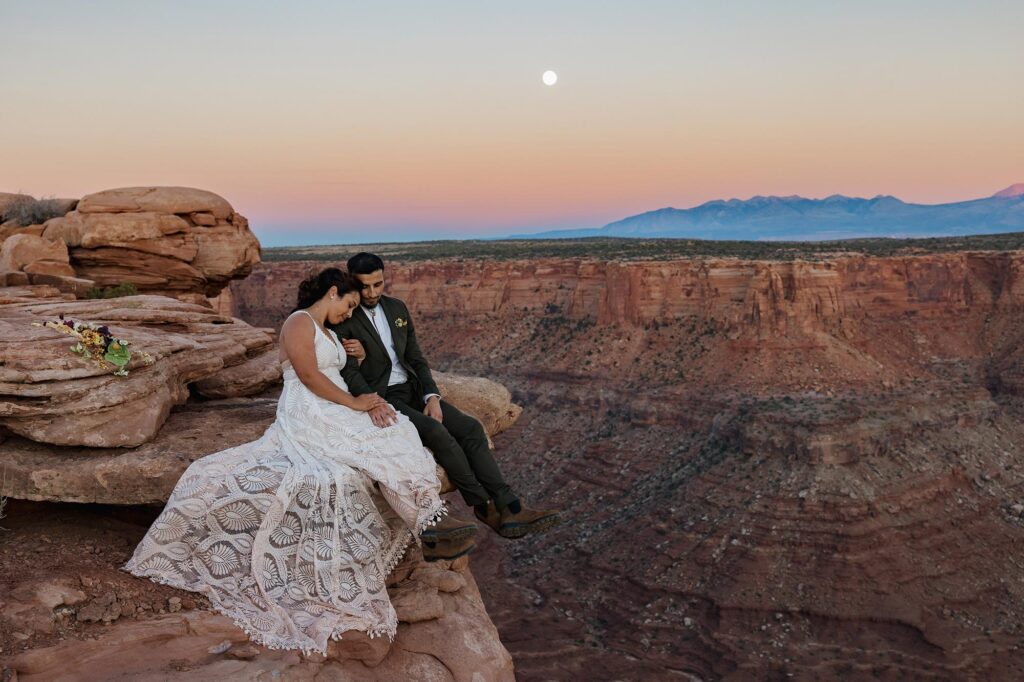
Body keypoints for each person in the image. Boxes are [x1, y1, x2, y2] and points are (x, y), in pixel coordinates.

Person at [123, 268, 457, 655]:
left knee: (396, 430)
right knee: (347, 457)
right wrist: (355, 404)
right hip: (309, 408)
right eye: (348, 305)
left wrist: (361, 364)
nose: (350, 314)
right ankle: (428, 523)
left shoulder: (332, 332)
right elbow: (309, 375)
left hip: (334, 403)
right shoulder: (299, 322)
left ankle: (429, 520)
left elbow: (350, 374)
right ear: (333, 292)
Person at [330, 252, 560, 540]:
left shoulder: (397, 309)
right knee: (436, 432)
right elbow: (350, 372)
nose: (372, 292)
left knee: (472, 429)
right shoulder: (345, 318)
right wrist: (372, 400)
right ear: (352, 282)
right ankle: (484, 506)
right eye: (365, 286)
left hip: (413, 388)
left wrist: (432, 396)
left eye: (378, 284)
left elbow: (415, 356)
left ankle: (510, 505)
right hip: (385, 395)